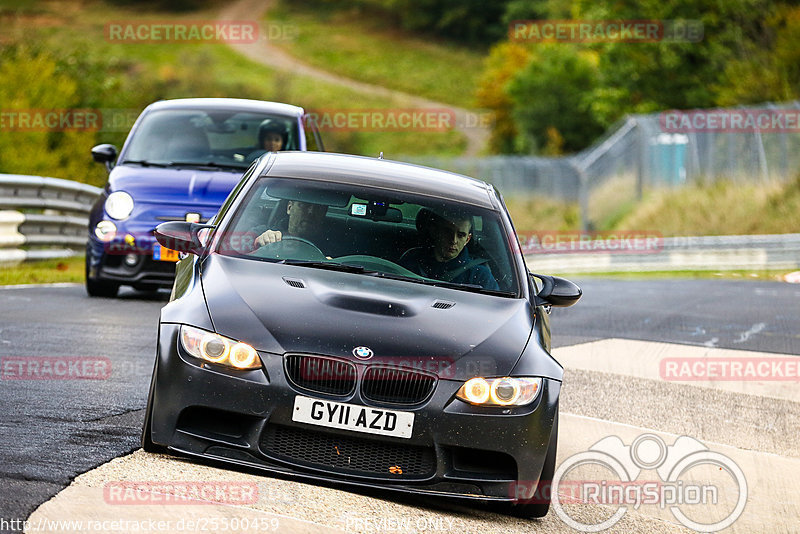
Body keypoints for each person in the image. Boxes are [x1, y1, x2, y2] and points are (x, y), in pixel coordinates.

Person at [399, 210, 499, 290]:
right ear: (435, 231)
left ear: (467, 239)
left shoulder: (480, 276)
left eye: (461, 235)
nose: (454, 240)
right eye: (448, 232)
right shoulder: (411, 261)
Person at [252, 200, 328, 249]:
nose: (311, 212)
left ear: (324, 213)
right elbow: (242, 251)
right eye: (304, 205)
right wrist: (258, 242)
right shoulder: (262, 232)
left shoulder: (333, 246)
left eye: (318, 208)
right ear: (289, 207)